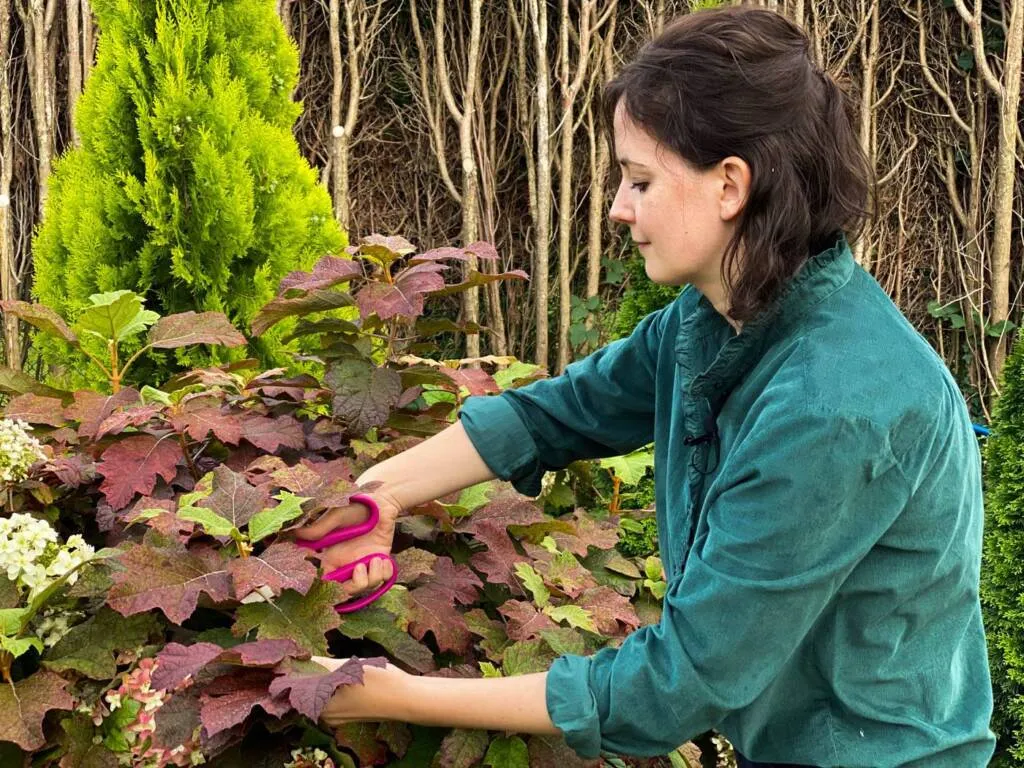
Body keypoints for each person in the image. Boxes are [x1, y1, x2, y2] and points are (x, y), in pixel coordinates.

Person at [295, 6, 996, 766]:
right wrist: (378, 495)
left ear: (730, 184)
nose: (618, 208)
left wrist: (392, 692)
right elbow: (558, 414)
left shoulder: (837, 406)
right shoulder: (712, 322)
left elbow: (676, 685)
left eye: (638, 180)